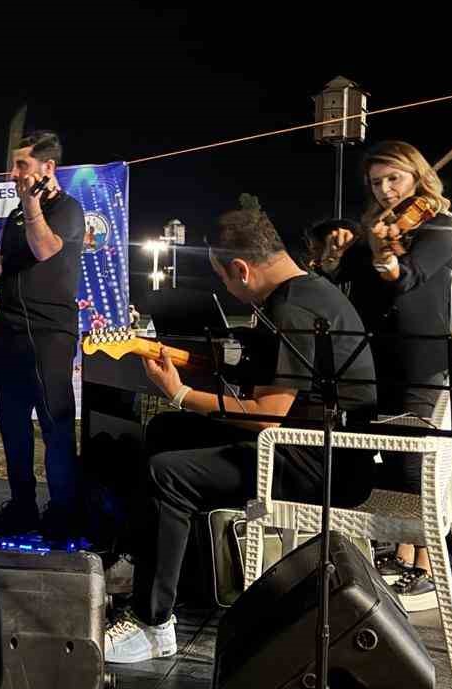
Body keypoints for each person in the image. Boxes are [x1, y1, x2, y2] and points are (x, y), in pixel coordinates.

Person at [105, 197, 378, 664]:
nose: (227, 289)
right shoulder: (306, 291)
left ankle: (153, 625)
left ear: (241, 269)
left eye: (223, 279)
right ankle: (164, 575)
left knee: (167, 472)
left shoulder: (293, 309)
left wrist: (180, 392)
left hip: (320, 459)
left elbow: (266, 414)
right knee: (169, 433)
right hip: (307, 441)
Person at [315, 141, 452, 611]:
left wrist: (389, 260)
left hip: (417, 360)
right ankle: (395, 547)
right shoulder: (372, 227)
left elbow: (411, 277)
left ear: (416, 176)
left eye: (394, 178)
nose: (386, 189)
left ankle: (428, 565)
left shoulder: (441, 228)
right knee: (375, 452)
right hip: (371, 356)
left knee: (411, 459)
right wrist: (336, 257)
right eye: (377, 182)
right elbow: (340, 282)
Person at [0, 129, 86, 541]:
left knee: (55, 425)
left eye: (21, 165)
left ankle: (63, 511)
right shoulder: (14, 215)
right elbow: (9, 261)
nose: (13, 174)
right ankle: (21, 506)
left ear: (48, 167)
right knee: (12, 424)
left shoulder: (67, 210)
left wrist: (31, 201)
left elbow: (45, 249)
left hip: (49, 333)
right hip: (7, 330)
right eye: (13, 165)